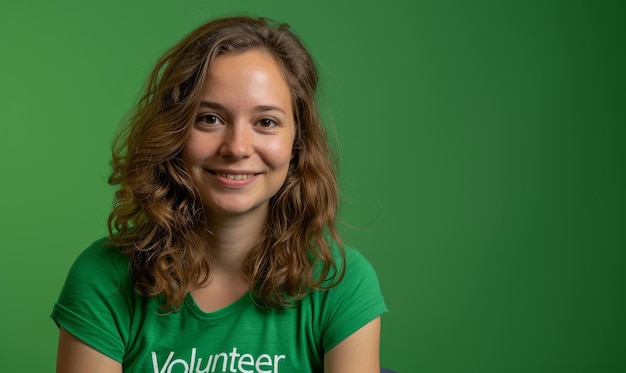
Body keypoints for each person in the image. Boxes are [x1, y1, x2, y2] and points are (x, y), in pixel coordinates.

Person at [51, 16, 387, 373]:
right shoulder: (103, 278)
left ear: (297, 143)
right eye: (210, 118)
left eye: (266, 122)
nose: (237, 147)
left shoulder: (342, 282)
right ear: (174, 132)